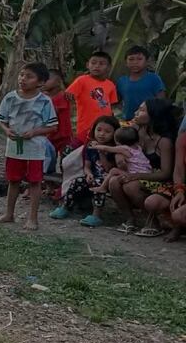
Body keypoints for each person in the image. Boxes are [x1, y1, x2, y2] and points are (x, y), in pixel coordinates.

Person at [0, 63, 58, 230]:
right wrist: (6, 130)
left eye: (29, 76)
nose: (23, 79)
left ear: (40, 82)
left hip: (35, 149)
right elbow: (2, 119)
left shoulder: (44, 101)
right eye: (22, 75)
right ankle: (9, 214)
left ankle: (33, 218)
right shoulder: (10, 97)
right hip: (14, 147)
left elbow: (52, 126)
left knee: (34, 182)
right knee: (13, 180)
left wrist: (35, 132)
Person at [106, 98, 178, 236]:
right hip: (137, 175)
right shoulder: (135, 130)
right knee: (114, 181)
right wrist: (119, 155)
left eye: (142, 110)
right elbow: (119, 145)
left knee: (130, 185)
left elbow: (165, 173)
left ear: (154, 114)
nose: (136, 112)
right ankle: (130, 219)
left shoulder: (164, 141)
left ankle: (152, 222)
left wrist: (136, 176)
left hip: (159, 181)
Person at [50, 115, 120, 227]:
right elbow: (87, 165)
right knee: (76, 182)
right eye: (99, 130)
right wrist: (88, 173)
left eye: (107, 131)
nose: (102, 134)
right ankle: (66, 207)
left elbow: (108, 168)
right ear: (93, 130)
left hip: (107, 178)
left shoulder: (113, 150)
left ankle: (96, 215)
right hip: (93, 176)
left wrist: (101, 151)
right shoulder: (90, 146)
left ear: (115, 134)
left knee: (98, 184)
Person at [145, 113, 186, 240]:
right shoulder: (183, 138)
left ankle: (178, 226)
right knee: (152, 202)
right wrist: (179, 190)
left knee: (179, 215)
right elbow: (179, 169)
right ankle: (177, 226)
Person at [66, 52, 118, 144]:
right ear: (87, 65)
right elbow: (68, 96)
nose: (97, 66)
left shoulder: (111, 85)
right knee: (85, 150)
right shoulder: (81, 80)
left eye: (101, 64)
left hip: (105, 128)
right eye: (93, 63)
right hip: (86, 126)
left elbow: (111, 106)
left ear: (109, 67)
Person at [116, 45, 165, 120]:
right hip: (127, 121)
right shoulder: (121, 81)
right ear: (126, 62)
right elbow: (116, 101)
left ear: (147, 61)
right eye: (131, 59)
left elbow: (161, 101)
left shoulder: (154, 78)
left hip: (149, 120)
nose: (135, 62)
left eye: (139, 59)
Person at [41, 69, 73, 174]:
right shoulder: (43, 97)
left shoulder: (63, 96)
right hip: (49, 136)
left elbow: (53, 111)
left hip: (63, 136)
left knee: (66, 162)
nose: (43, 82)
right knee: (49, 161)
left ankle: (64, 185)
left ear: (58, 81)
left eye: (47, 79)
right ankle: (49, 186)